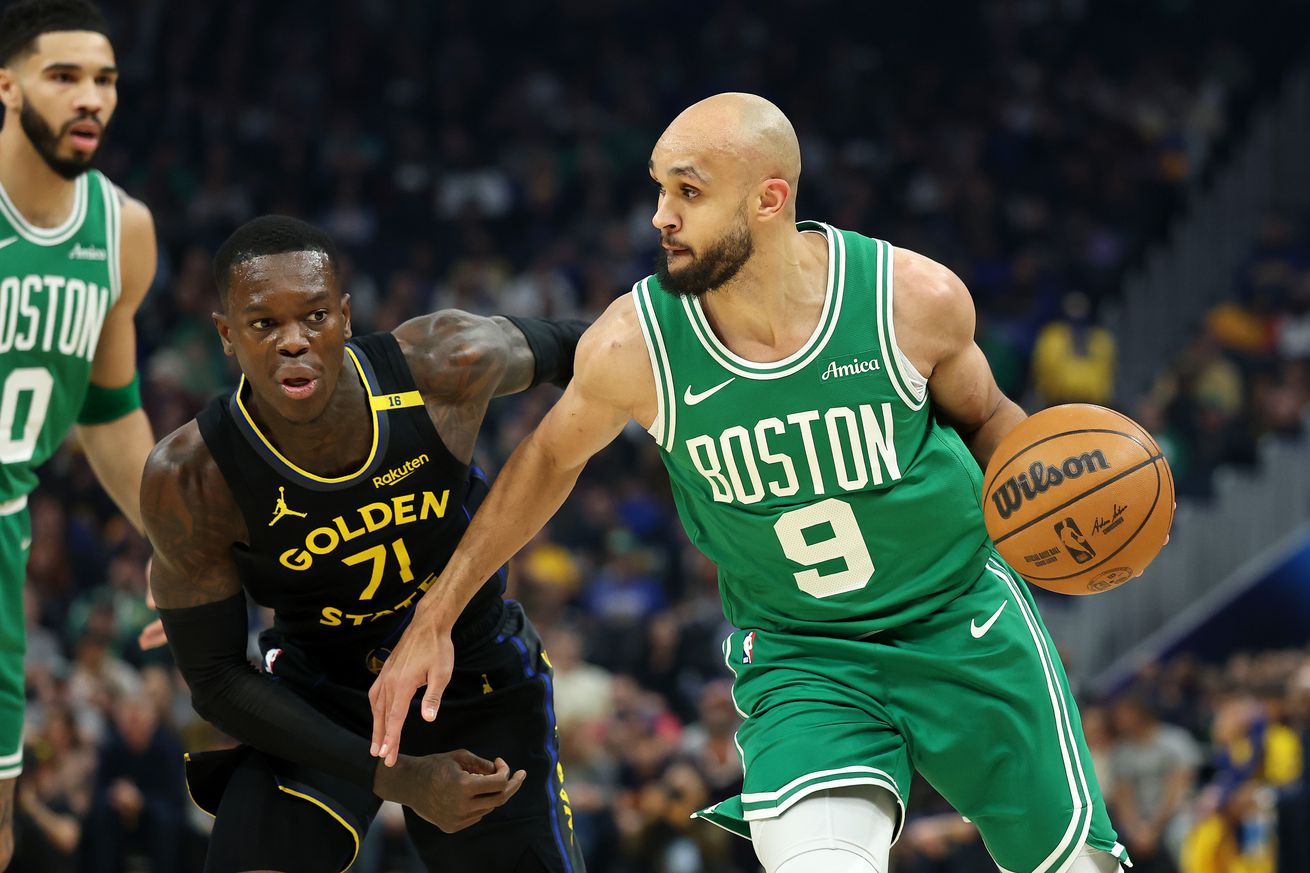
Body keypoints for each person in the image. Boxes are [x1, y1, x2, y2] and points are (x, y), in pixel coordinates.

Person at [370, 93, 1131, 873]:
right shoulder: (637, 343)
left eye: (688, 192)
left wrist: (1068, 508)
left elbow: (990, 418)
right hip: (807, 656)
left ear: (769, 199)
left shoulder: (909, 299)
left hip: (960, 619)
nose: (661, 216)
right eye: (660, 188)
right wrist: (436, 614)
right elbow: (546, 461)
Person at [143, 215, 587, 873]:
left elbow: (600, 350)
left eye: (315, 316)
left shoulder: (444, 364)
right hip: (324, 690)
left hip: (473, 670)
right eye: (264, 324)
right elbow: (214, 680)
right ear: (226, 335)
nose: (295, 341)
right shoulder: (192, 477)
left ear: (346, 317)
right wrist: (400, 776)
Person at [0, 1, 159, 865]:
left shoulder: (121, 231)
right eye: (63, 76)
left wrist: (172, 543)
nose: (89, 97)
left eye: (103, 80)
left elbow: (108, 414)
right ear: (7, 83)